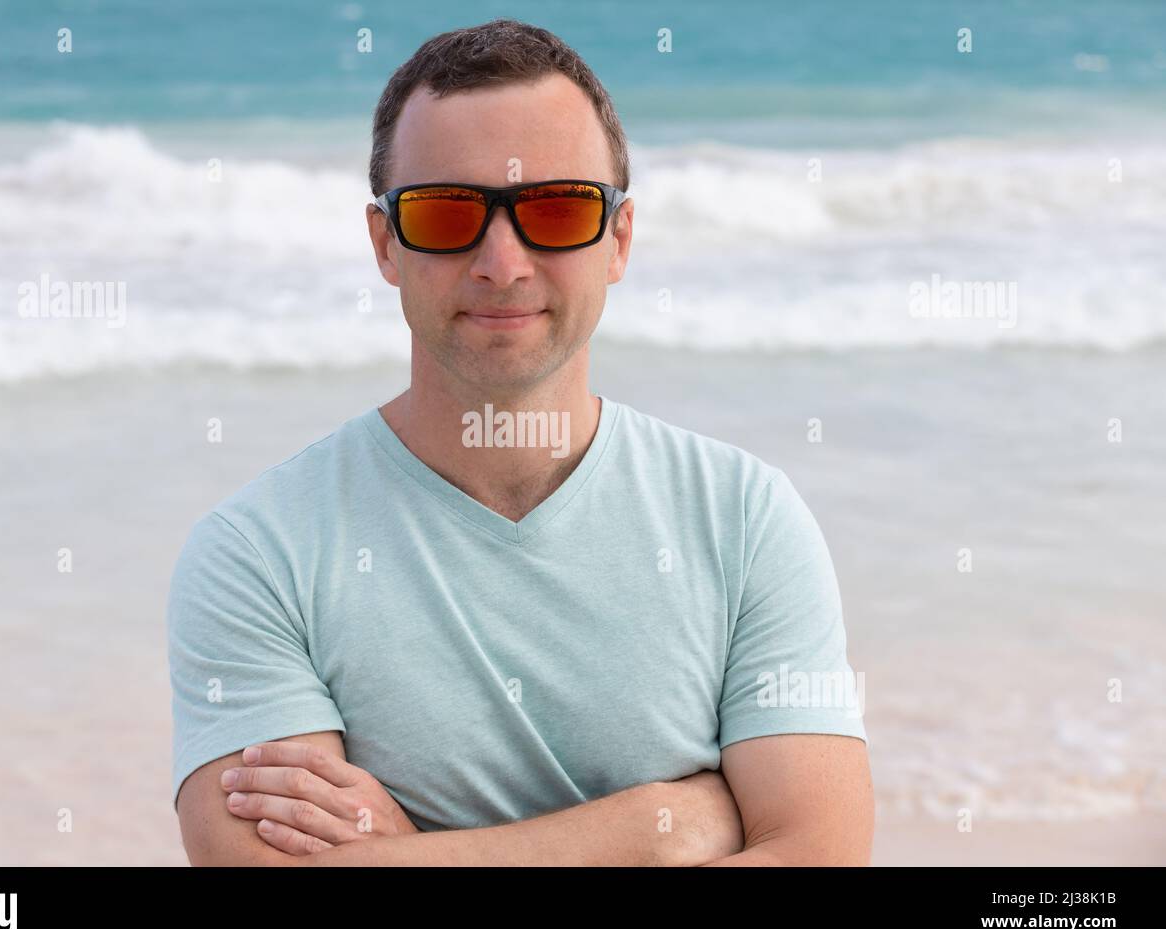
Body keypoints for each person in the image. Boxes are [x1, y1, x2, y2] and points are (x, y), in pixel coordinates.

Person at [168, 18, 873, 866]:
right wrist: (661, 825)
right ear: (385, 243)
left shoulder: (746, 519)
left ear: (618, 238)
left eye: (554, 208)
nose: (502, 262)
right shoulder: (257, 552)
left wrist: (419, 853)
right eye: (445, 213)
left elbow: (821, 856)